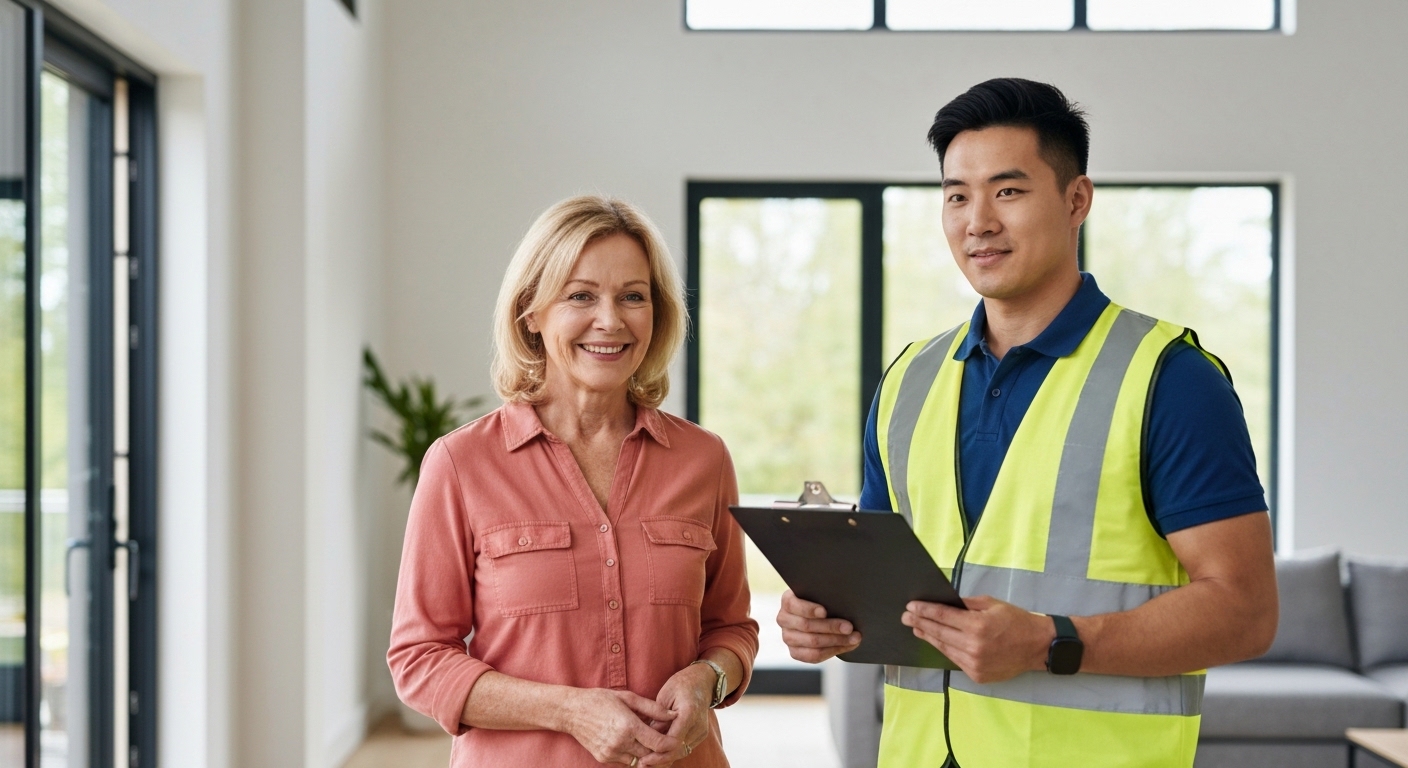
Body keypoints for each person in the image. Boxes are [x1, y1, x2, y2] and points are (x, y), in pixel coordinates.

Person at [777, 78, 1279, 767]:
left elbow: (1246, 612)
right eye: (957, 195)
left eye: (1007, 191)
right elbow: (895, 596)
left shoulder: (1172, 379)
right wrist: (830, 623)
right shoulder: (909, 381)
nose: (977, 220)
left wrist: (1051, 641)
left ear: (1077, 201)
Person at [388, 195, 758, 768]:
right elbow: (419, 658)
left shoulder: (703, 460)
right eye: (580, 295)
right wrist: (568, 710)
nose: (610, 320)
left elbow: (731, 628)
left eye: (633, 297)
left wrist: (706, 679)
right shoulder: (460, 463)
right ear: (531, 312)